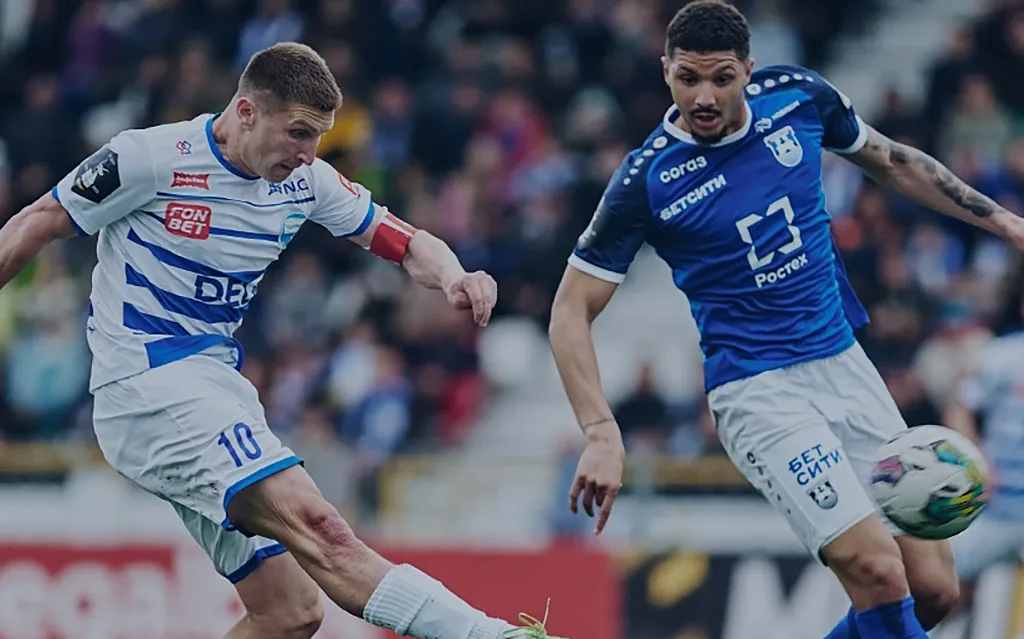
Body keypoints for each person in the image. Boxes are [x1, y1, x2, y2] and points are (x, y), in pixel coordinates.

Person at [0, 42, 561, 639]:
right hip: (149, 386)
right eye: (298, 133)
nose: (308, 153)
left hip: (215, 386)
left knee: (290, 614)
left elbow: (402, 239)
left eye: (317, 137)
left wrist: (455, 275)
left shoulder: (306, 182)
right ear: (246, 112)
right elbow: (35, 223)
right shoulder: (150, 158)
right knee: (323, 528)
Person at [547, 2, 1024, 638]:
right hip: (759, 392)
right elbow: (569, 310)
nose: (704, 96)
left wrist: (1005, 222)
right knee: (879, 571)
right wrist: (601, 431)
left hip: (844, 366)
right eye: (688, 78)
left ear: (748, 70)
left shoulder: (797, 99)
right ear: (666, 72)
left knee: (934, 591)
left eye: (721, 77)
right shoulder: (647, 179)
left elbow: (892, 161)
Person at [943, 279, 1024, 622]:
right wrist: (977, 460)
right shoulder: (1002, 355)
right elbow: (959, 408)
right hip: (996, 505)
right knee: (945, 587)